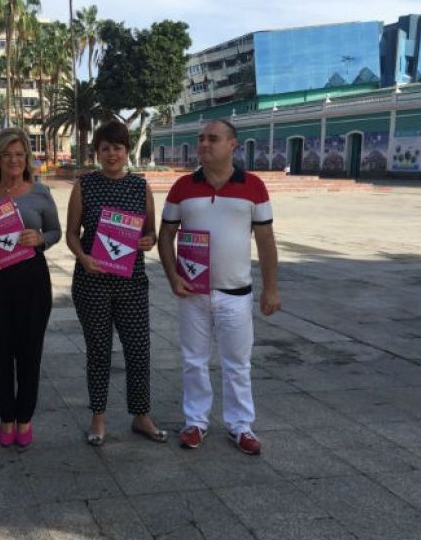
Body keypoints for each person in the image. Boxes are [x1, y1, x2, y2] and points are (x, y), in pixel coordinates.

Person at [158, 119, 281, 454]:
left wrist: (271, 288)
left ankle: (241, 426)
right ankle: (195, 422)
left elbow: (266, 239)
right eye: (200, 139)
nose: (204, 145)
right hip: (192, 292)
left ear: (232, 145)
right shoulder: (182, 187)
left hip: (236, 293)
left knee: (237, 363)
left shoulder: (253, 186)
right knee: (193, 360)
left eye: (213, 139)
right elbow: (165, 236)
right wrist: (173, 277)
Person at [66, 120, 166, 446]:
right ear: (97, 151)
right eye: (105, 148)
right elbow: (71, 233)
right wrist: (83, 257)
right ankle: (98, 417)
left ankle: (141, 415)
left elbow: (151, 232)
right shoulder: (84, 186)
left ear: (126, 152)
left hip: (131, 281)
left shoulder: (140, 187)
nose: (112, 154)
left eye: (118, 148)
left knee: (138, 351)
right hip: (93, 281)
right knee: (99, 352)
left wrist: (147, 241)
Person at [0, 127, 61, 449]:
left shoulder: (40, 193)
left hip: (32, 279)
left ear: (27, 159)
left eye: (20, 154)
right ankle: (6, 418)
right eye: (8, 154)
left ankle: (25, 418)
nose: (14, 160)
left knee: (30, 352)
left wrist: (41, 239)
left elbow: (55, 230)